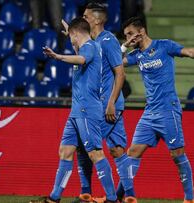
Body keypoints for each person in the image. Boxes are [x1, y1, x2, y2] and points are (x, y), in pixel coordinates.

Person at [119, 17, 194, 203]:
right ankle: (116, 197)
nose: (128, 38)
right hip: (149, 113)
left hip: (168, 110)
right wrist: (124, 46)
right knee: (132, 152)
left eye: (130, 34)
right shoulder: (136, 55)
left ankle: (189, 199)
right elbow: (115, 62)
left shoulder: (164, 46)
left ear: (141, 31)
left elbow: (188, 51)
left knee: (177, 154)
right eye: (125, 35)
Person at [29, 17, 118, 203]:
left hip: (87, 109)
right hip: (77, 111)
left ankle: (112, 198)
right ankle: (54, 198)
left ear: (76, 34)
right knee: (65, 151)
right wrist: (71, 29)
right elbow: (79, 50)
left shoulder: (91, 47)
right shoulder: (85, 46)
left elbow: (81, 58)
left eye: (71, 37)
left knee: (95, 153)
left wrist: (58, 56)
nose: (71, 41)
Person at [62, 3, 136, 203]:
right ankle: (128, 196)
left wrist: (111, 102)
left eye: (85, 16)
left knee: (87, 147)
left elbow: (120, 73)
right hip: (105, 104)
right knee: (117, 150)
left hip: (106, 105)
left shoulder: (108, 40)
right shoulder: (92, 42)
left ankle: (88, 193)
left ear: (97, 19)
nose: (82, 18)